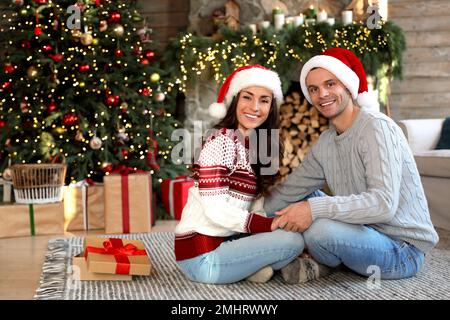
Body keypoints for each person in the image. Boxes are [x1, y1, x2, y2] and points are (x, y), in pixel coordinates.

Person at [264, 47, 439, 283]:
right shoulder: (326, 142)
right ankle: (323, 261)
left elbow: (383, 203)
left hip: (402, 249)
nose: (322, 94)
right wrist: (244, 217)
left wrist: (314, 209)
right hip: (360, 231)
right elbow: (289, 191)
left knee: (319, 229)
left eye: (330, 84)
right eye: (314, 89)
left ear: (347, 85)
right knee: (295, 202)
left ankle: (317, 259)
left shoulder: (377, 128)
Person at [174, 65, 306, 284]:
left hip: (230, 243)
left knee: (290, 222)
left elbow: (254, 205)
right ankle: (256, 265)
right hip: (202, 257)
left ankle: (250, 268)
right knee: (292, 241)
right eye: (247, 97)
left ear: (271, 106)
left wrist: (272, 222)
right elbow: (215, 210)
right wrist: (268, 226)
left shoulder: (255, 145)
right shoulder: (221, 142)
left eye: (264, 100)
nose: (255, 107)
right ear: (234, 101)